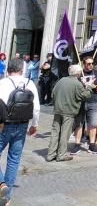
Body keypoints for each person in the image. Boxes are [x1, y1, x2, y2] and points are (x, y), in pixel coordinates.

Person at [0, 58, 39, 204]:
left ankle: (1, 184)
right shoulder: (30, 83)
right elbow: (36, 108)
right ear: (22, 69)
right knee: (14, 159)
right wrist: (34, 125)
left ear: (7, 69)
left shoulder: (3, 83)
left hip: (3, 125)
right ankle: (6, 197)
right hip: (22, 125)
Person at [46, 64, 93, 162]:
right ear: (79, 73)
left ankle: (51, 154)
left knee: (55, 132)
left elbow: (53, 93)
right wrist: (88, 86)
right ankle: (61, 155)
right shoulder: (77, 84)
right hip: (68, 112)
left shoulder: (61, 80)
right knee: (64, 134)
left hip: (58, 110)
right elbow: (86, 95)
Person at [72, 56, 97, 155]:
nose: (91, 65)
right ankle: (77, 145)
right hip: (81, 102)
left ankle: (92, 145)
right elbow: (73, 87)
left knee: (93, 124)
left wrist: (95, 86)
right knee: (79, 124)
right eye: (88, 63)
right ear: (84, 64)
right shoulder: (79, 73)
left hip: (93, 102)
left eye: (92, 63)